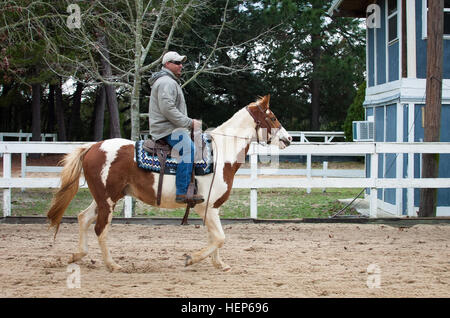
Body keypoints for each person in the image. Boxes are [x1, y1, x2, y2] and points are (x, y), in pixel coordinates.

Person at [148, 51, 204, 204]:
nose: (181, 65)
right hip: (167, 129)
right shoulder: (167, 82)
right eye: (177, 63)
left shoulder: (169, 81)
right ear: (167, 64)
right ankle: (182, 191)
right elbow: (168, 109)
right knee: (189, 149)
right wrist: (189, 123)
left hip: (170, 127)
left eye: (181, 63)